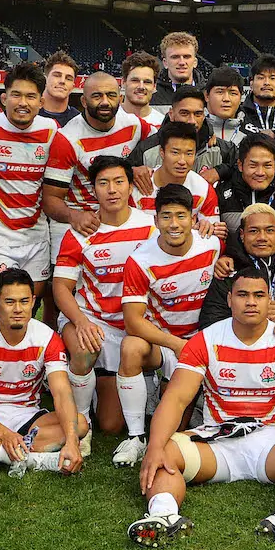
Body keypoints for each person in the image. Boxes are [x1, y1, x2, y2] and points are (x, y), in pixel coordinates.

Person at [128, 268, 275, 549]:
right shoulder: (205, 339)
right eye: (242, 295)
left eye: (258, 295)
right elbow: (176, 399)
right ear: (229, 300)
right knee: (164, 449)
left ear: (269, 301)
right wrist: (154, 445)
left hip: (271, 441)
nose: (250, 302)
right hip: (217, 440)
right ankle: (162, 516)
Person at [114, 184, 223, 463]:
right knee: (130, 347)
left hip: (201, 342)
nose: (174, 224)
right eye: (166, 216)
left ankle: (193, 401)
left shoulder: (212, 244)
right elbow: (133, 322)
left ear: (193, 217)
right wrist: (175, 344)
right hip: (164, 342)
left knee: (175, 432)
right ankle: (135, 437)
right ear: (155, 220)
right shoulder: (140, 260)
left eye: (180, 215)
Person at [50, 156, 154, 441]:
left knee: (111, 424)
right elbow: (60, 286)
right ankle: (81, 423)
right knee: (83, 349)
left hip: (132, 326)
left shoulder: (151, 227)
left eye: (119, 182)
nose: (112, 190)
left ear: (131, 187)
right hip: (92, 318)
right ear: (93, 190)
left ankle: (101, 391)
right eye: (103, 183)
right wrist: (81, 322)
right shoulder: (80, 233)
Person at [0, 267, 86, 479]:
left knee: (80, 423)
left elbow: (61, 393)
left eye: (24, 301)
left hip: (27, 417)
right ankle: (30, 458)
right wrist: (4, 433)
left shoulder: (47, 338)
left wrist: (73, 441)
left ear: (33, 301)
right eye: (9, 302)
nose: (18, 309)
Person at [0, 62, 61, 308]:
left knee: (29, 311)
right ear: (3, 98)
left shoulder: (52, 130)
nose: (23, 102)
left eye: (31, 96)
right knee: (2, 309)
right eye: (16, 95)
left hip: (36, 237)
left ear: (41, 102)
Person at [42, 70, 145, 273]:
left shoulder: (134, 125)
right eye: (97, 96)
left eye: (111, 95)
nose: (105, 102)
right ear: (84, 100)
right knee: (62, 291)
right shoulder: (67, 139)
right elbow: (50, 199)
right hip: (78, 222)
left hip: (118, 220)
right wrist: (74, 216)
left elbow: (166, 141)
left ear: (121, 97)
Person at [199, 203, 275, 329]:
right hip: (240, 344)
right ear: (242, 235)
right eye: (254, 231)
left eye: (269, 230)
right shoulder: (228, 268)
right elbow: (210, 323)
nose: (262, 238)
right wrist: (254, 317)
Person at [132, 120, 219, 226]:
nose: (182, 161)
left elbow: (213, 235)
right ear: (162, 152)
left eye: (189, 153)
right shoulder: (139, 184)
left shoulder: (203, 189)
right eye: (175, 152)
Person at [134, 86, 236, 175]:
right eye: (184, 113)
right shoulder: (147, 149)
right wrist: (134, 171)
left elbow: (244, 165)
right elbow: (124, 172)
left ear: (204, 115)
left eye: (198, 114)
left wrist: (220, 171)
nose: (192, 121)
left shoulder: (220, 148)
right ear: (171, 114)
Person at [215, 133, 275, 239]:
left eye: (267, 165)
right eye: (253, 165)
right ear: (240, 165)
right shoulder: (221, 192)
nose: (260, 172)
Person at [239, 54, 275, 136]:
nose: (267, 83)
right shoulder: (238, 115)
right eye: (261, 78)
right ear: (251, 85)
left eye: (273, 78)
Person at [203, 65, 247, 148]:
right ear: (207, 96)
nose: (226, 99)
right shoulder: (195, 129)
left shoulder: (251, 133)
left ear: (241, 98)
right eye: (220, 92)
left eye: (233, 93)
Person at [120, 51, 163, 128]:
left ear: (154, 86)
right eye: (135, 80)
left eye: (147, 82)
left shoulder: (162, 124)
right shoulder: (109, 120)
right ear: (123, 82)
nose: (141, 87)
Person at [157, 30, 199, 105]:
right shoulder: (151, 94)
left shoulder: (209, 94)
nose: (182, 62)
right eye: (175, 57)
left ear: (195, 62)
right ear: (165, 63)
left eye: (186, 57)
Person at [40, 51, 81, 126]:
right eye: (57, 75)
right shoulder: (29, 115)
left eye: (68, 79)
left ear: (73, 86)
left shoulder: (79, 121)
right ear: (45, 79)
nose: (62, 81)